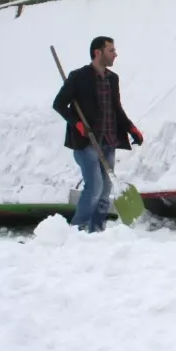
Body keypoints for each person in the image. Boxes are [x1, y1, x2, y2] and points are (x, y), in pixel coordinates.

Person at [52, 36, 143, 232]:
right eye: (111, 50)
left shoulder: (112, 79)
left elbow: (116, 109)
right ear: (97, 53)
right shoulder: (79, 77)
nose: (115, 54)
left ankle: (96, 229)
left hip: (108, 141)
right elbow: (58, 104)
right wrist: (77, 124)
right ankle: (77, 229)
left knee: (106, 189)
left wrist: (131, 128)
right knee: (95, 186)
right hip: (86, 142)